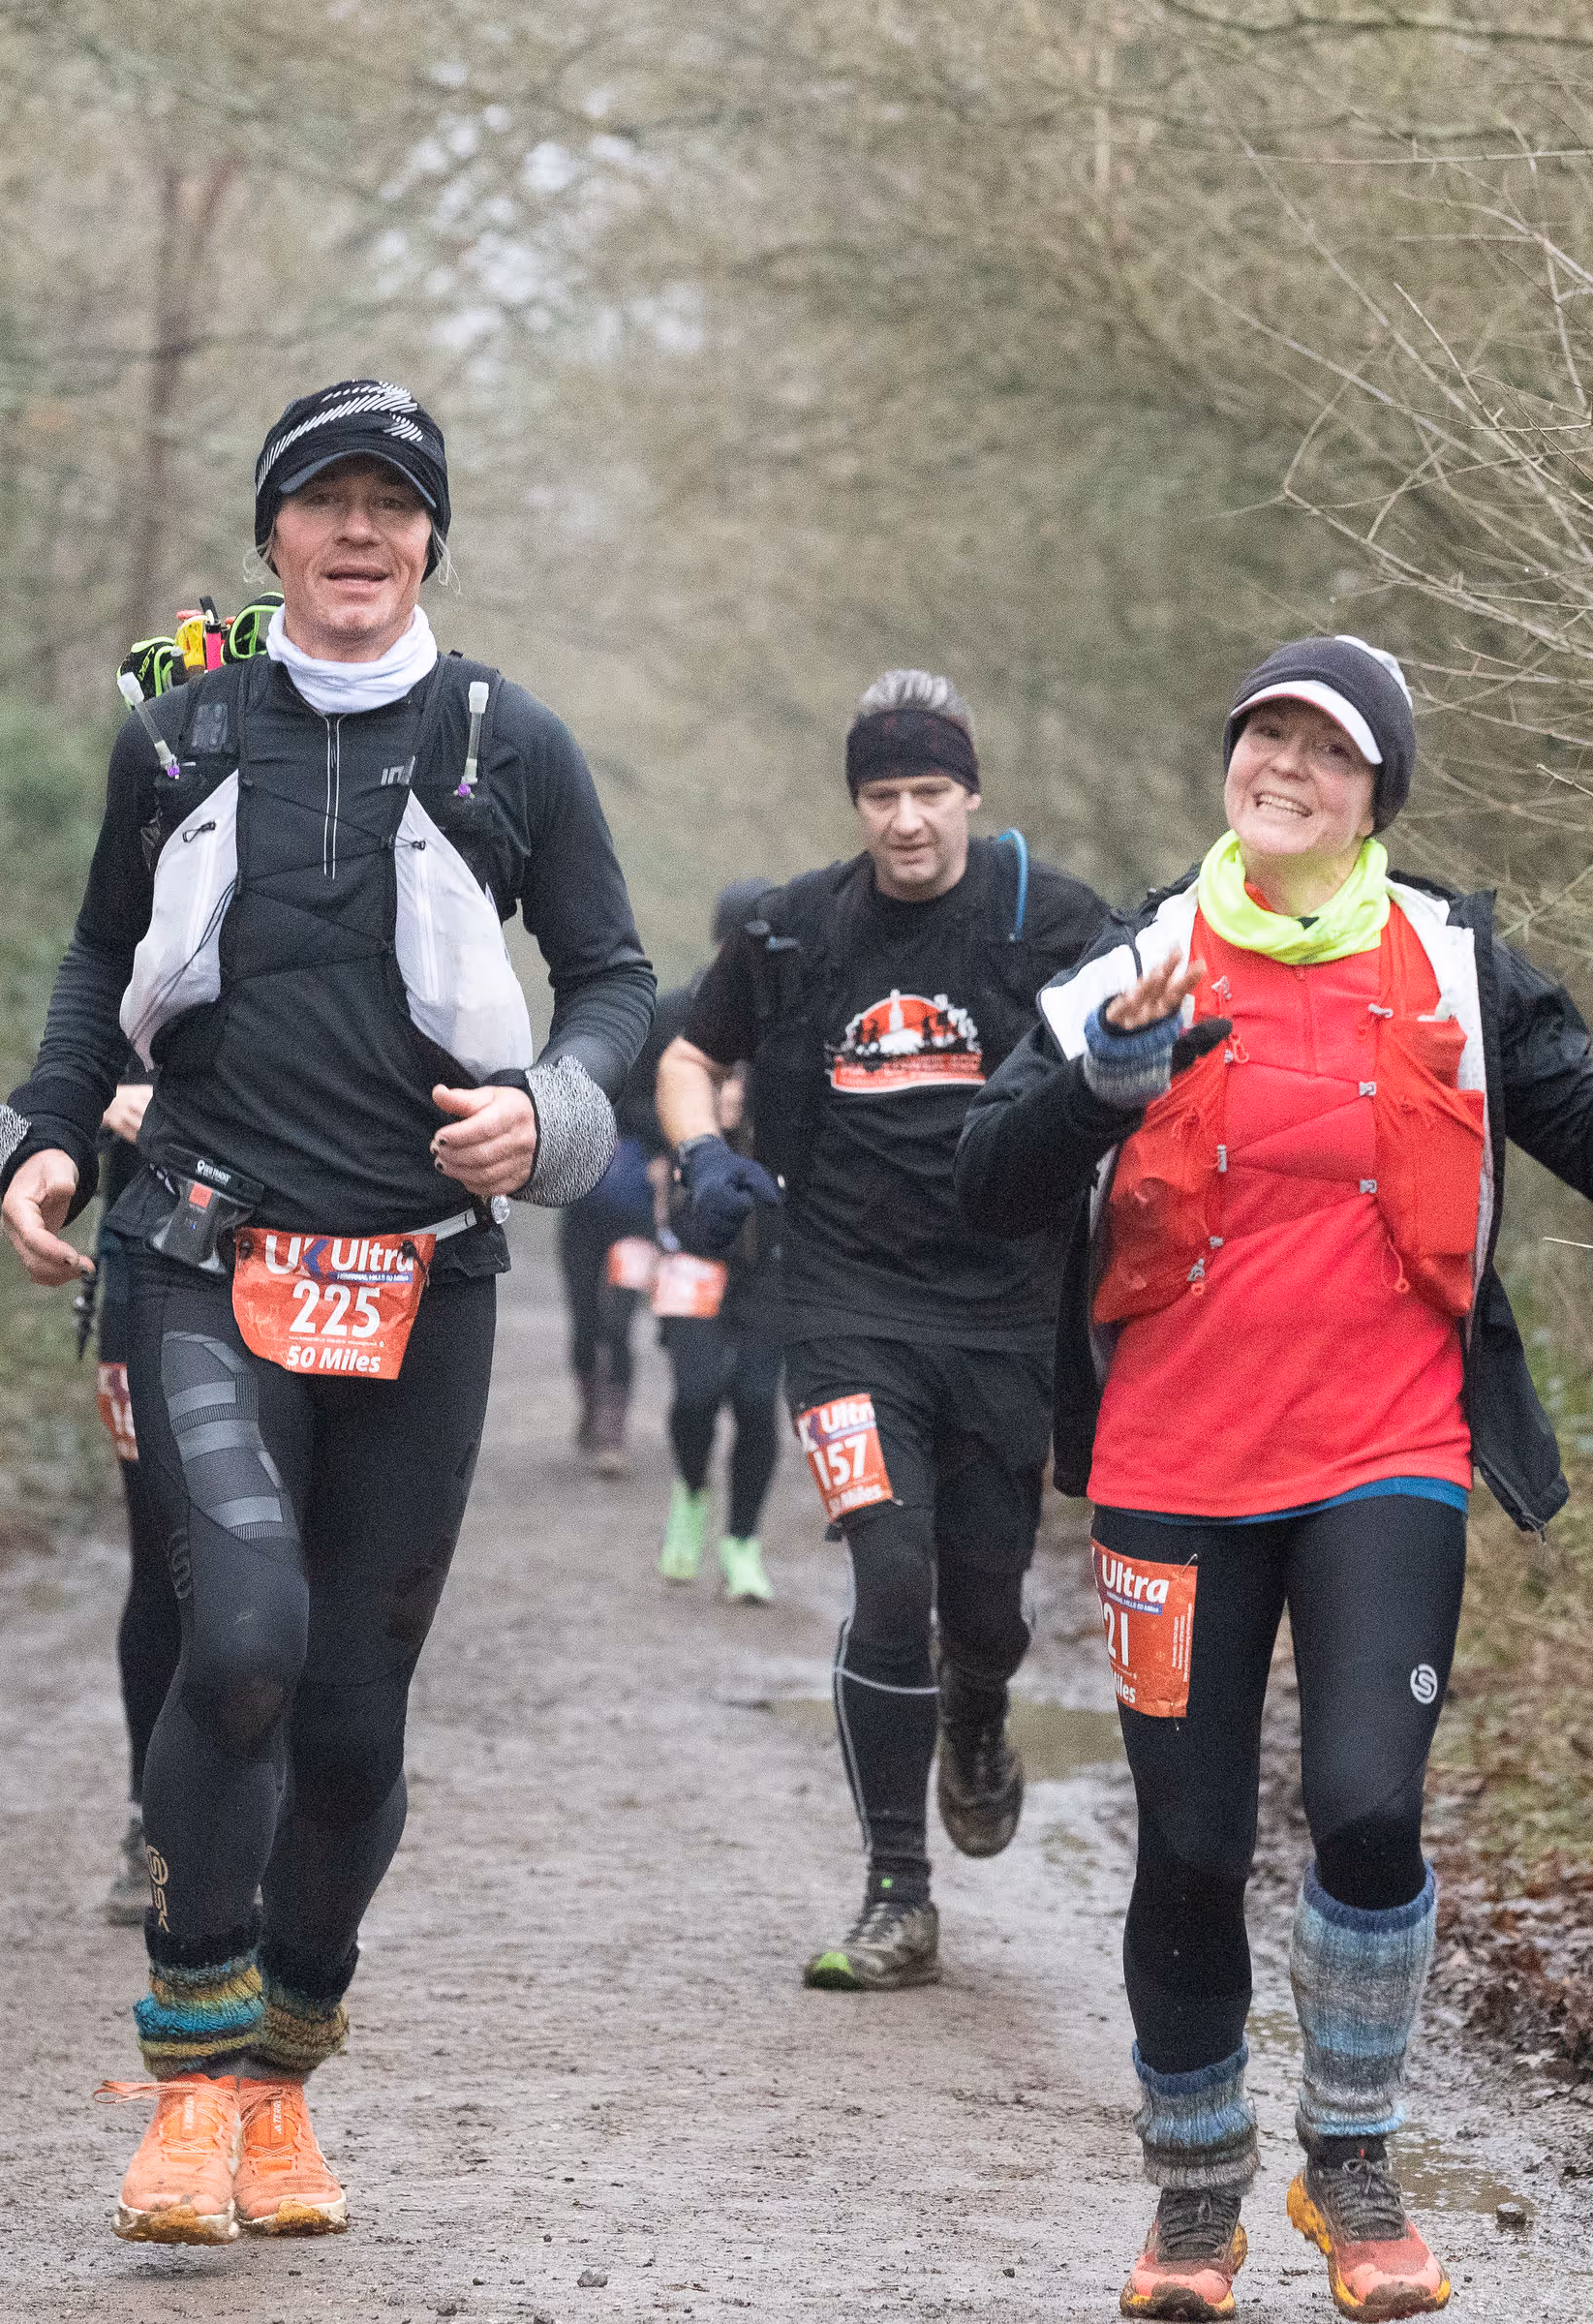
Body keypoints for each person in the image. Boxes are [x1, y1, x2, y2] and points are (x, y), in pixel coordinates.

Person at [954, 636, 1593, 2322]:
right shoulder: (1135, 959)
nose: (1288, 767)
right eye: (1265, 736)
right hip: (1174, 1470)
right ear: (1230, 768)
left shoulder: (1456, 964)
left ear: (1373, 794)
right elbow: (984, 1178)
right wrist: (1106, 1083)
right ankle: (1195, 2206)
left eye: (1327, 751)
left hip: (1385, 1453)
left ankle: (1352, 2165)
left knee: (1365, 1809)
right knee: (1187, 1852)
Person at [0, 378, 653, 2247]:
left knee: (353, 1720)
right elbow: (99, 963)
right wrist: (41, 1138)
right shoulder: (179, 736)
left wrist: (554, 1110)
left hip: (424, 1275)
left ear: (433, 539)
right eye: (324, 503)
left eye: (393, 506)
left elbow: (611, 978)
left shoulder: (516, 746)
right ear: (270, 537)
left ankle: (279, 2088)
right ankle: (185, 2095)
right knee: (246, 1634)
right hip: (197, 1252)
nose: (359, 534)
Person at [658, 671, 1109, 1992]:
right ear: (854, 802)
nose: (906, 820)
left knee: (984, 1602)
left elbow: (1142, 1073)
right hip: (845, 1307)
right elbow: (691, 1056)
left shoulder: (1054, 924)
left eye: (928, 791)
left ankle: (981, 1708)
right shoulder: (795, 933)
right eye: (881, 795)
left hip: (1005, 1315)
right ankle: (896, 1893)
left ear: (971, 792)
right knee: (889, 1577)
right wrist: (706, 1157)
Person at [635, 878, 781, 1601]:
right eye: (737, 943)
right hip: (690, 1242)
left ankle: (743, 1544)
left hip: (770, 1256)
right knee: (696, 1394)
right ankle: (691, 1494)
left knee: (756, 1401)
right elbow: (628, 1097)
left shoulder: (794, 1022)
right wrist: (676, 1139)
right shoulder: (675, 1018)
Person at [92, 1077, 187, 1925]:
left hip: (301, 1267)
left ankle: (278, 1830)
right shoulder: (124, 949)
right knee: (163, 1559)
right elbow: (46, 1090)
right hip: (142, 1271)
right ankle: (147, 1825)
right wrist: (96, 1103)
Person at [556, 1103, 653, 1477]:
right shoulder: (578, 1053)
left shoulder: (660, 1049)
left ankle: (612, 1433)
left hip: (635, 1214)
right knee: (584, 1323)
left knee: (618, 1324)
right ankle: (591, 1404)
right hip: (582, 1216)